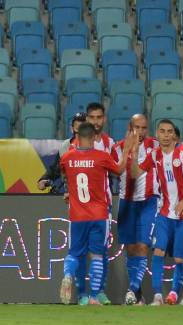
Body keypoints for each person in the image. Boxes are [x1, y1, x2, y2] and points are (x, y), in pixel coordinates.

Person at [59, 123, 135, 305]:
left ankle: (68, 274)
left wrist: (70, 192)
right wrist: (126, 150)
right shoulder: (101, 157)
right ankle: (94, 295)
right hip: (99, 214)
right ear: (94, 138)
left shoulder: (67, 158)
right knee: (97, 255)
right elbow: (119, 170)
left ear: (77, 138)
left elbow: (65, 176)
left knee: (74, 253)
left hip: (77, 215)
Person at [133, 119, 183, 306]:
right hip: (165, 212)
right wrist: (129, 153)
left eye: (169, 131)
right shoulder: (155, 154)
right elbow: (136, 172)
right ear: (157, 134)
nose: (166, 135)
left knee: (180, 258)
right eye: (162, 131)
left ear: (174, 134)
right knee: (158, 251)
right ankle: (157, 296)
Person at [113, 114, 160, 306]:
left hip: (149, 201)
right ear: (129, 127)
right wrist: (128, 152)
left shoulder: (156, 146)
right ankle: (138, 295)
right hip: (126, 201)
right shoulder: (117, 148)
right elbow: (113, 172)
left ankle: (131, 290)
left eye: (144, 128)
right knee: (131, 249)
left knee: (142, 246)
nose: (140, 132)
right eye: (137, 128)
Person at [85, 102, 117, 305]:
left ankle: (99, 291)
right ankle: (86, 292)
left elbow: (116, 169)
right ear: (87, 119)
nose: (96, 121)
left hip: (103, 204)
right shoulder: (77, 143)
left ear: (104, 119)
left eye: (99, 117)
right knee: (85, 250)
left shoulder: (109, 143)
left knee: (101, 249)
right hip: (82, 205)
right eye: (92, 118)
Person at [37, 112, 87, 193]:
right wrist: (44, 179)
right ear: (72, 129)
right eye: (77, 129)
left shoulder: (97, 147)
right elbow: (56, 169)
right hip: (71, 194)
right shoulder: (65, 146)